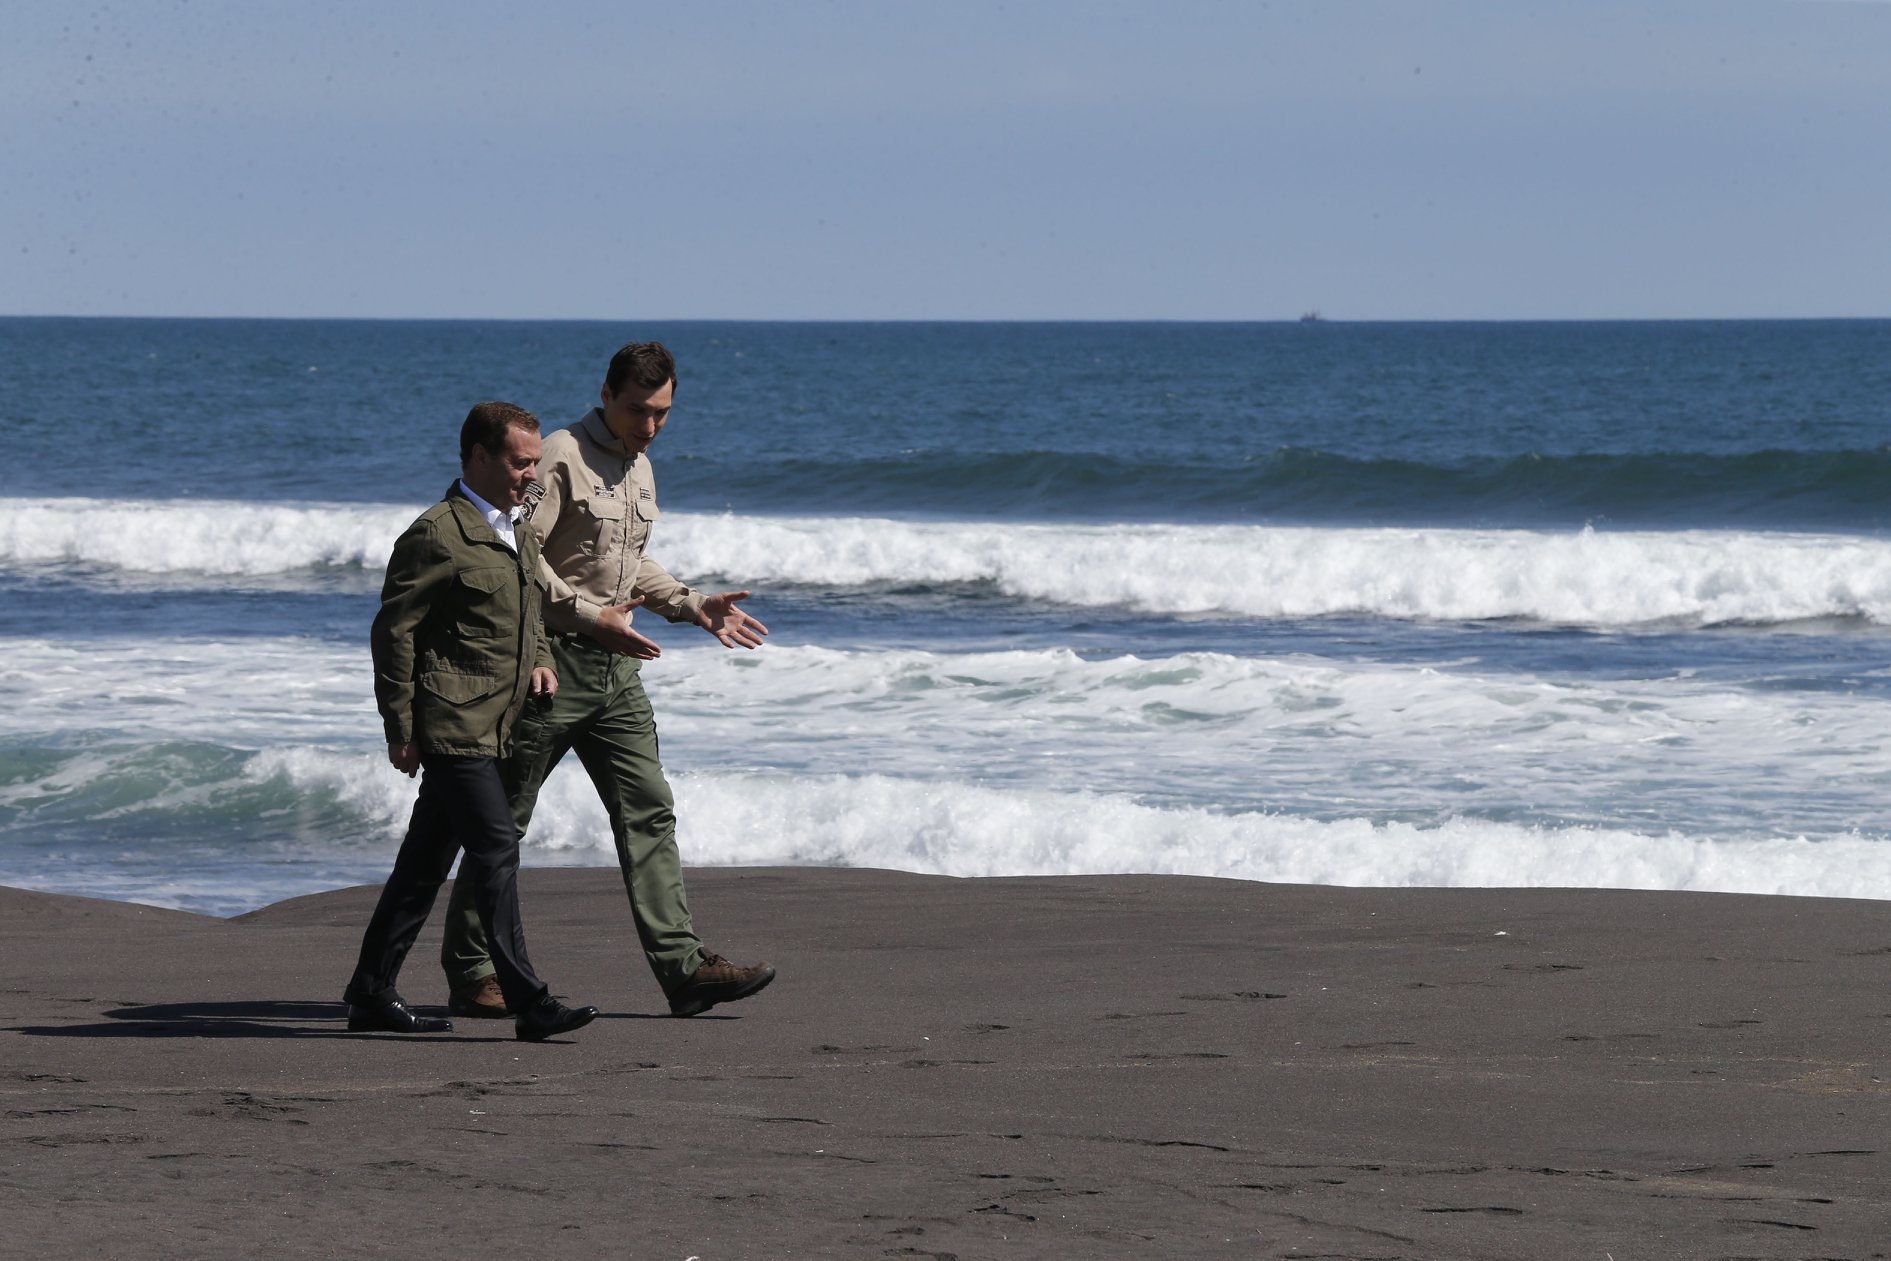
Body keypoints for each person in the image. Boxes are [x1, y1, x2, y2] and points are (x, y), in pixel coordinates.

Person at [438, 343, 776, 1020]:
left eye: (662, 413)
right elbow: (517, 556)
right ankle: (473, 969)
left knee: (649, 809)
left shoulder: (640, 466)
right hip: (548, 662)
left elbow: (628, 564)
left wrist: (690, 603)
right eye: (636, 410)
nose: (649, 426)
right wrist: (593, 619)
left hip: (619, 670)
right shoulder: (560, 454)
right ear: (605, 393)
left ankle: (683, 970)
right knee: (505, 822)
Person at [343, 401, 598, 1043]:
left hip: (500, 723)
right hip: (453, 723)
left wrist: (540, 660)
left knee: (424, 864)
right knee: (495, 847)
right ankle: (529, 1000)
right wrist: (399, 726)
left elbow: (531, 611)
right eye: (519, 462)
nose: (530, 475)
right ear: (479, 457)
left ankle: (371, 991)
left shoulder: (519, 529)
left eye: (535, 462)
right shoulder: (436, 533)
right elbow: (394, 633)